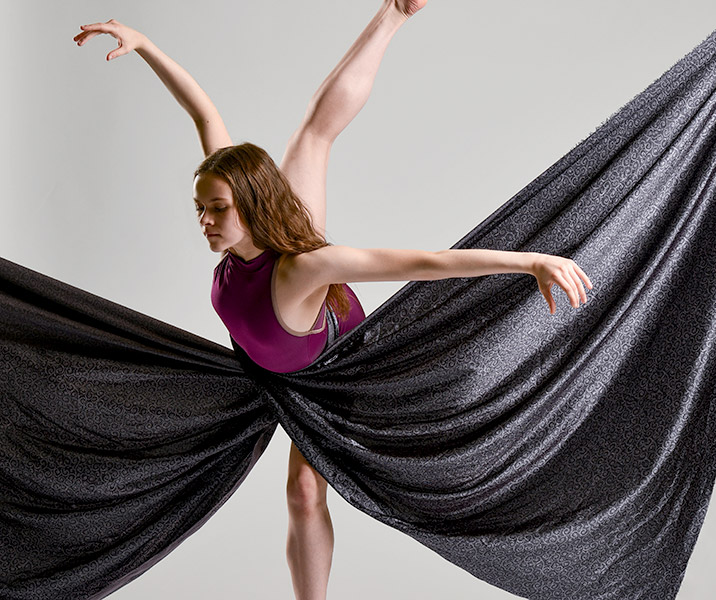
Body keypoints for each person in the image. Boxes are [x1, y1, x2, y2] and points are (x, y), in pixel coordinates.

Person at [73, 2, 592, 599]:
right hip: (261, 368)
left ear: (246, 204)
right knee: (314, 131)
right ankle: (394, 11)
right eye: (201, 208)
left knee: (302, 490)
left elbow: (423, 264)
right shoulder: (247, 225)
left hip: (330, 372)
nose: (206, 221)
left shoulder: (304, 267)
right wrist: (144, 46)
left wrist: (528, 261)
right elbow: (203, 111)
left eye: (217, 209)